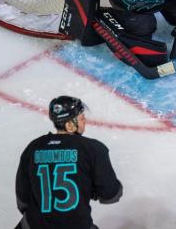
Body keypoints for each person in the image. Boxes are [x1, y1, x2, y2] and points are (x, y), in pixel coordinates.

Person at [15, 96, 122, 229]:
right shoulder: (93, 149)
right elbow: (111, 195)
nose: (85, 122)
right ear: (70, 125)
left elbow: (23, 200)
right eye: (82, 118)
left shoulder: (33, 147)